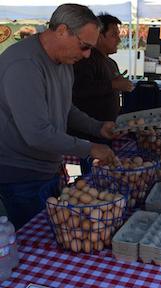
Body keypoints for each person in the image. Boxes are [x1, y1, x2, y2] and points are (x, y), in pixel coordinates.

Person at [0, 4, 118, 230]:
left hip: (47, 169)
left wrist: (97, 127)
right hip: (20, 176)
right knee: (36, 250)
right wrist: (90, 148)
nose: (87, 55)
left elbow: (66, 108)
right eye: (84, 46)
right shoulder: (24, 65)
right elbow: (37, 134)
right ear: (62, 30)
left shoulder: (64, 61)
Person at [71, 12, 134, 144]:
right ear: (98, 36)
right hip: (88, 134)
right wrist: (113, 85)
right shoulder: (86, 59)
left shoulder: (111, 63)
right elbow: (79, 90)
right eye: (113, 35)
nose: (118, 40)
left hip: (106, 130)